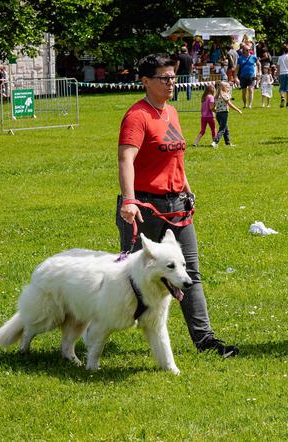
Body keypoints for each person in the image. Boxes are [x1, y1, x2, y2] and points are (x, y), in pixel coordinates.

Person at [116, 54, 239, 357]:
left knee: (189, 272)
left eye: (173, 77)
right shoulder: (137, 116)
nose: (171, 82)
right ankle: (98, 324)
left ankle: (205, 340)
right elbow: (125, 159)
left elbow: (176, 159)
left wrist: (187, 189)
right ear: (145, 81)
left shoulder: (170, 111)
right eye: (164, 78)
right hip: (145, 208)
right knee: (130, 277)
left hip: (178, 206)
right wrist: (129, 200)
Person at [211, 80, 243, 147]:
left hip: (218, 114)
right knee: (222, 129)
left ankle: (227, 143)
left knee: (226, 128)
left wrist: (215, 111)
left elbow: (213, 107)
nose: (229, 88)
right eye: (228, 87)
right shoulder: (225, 95)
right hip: (224, 113)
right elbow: (230, 104)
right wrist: (238, 110)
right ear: (224, 88)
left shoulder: (216, 96)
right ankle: (215, 142)